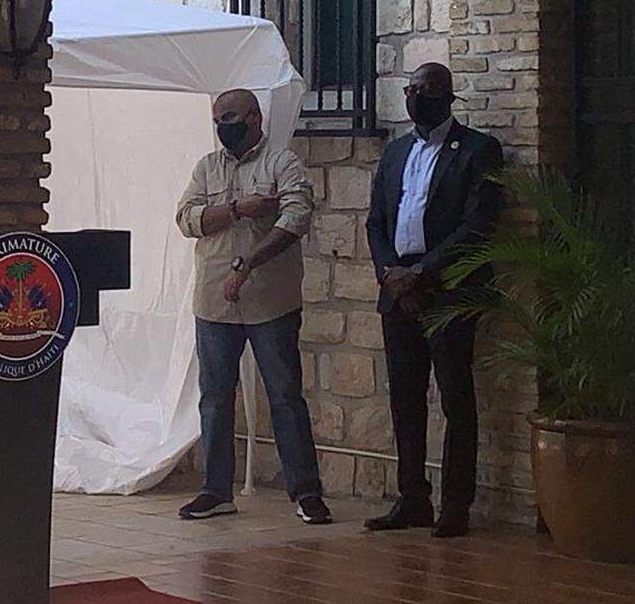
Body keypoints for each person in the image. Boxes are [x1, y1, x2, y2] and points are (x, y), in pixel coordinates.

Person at [174, 89, 331, 525]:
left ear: (255, 117)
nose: (224, 125)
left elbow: (295, 217)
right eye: (218, 119)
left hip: (270, 302)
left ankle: (306, 493)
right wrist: (238, 209)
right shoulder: (208, 167)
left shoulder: (282, 163)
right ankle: (215, 490)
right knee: (215, 399)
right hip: (214, 302)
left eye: (231, 116)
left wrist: (248, 262)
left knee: (284, 397)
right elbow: (187, 218)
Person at [363, 62, 503, 538]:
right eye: (409, 89)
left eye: (421, 89)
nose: (413, 97)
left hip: (447, 292)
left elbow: (477, 223)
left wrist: (421, 273)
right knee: (405, 400)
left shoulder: (478, 150)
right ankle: (412, 498)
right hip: (397, 291)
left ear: (445, 95)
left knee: (456, 398)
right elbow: (376, 221)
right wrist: (390, 275)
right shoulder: (398, 151)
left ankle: (455, 505)